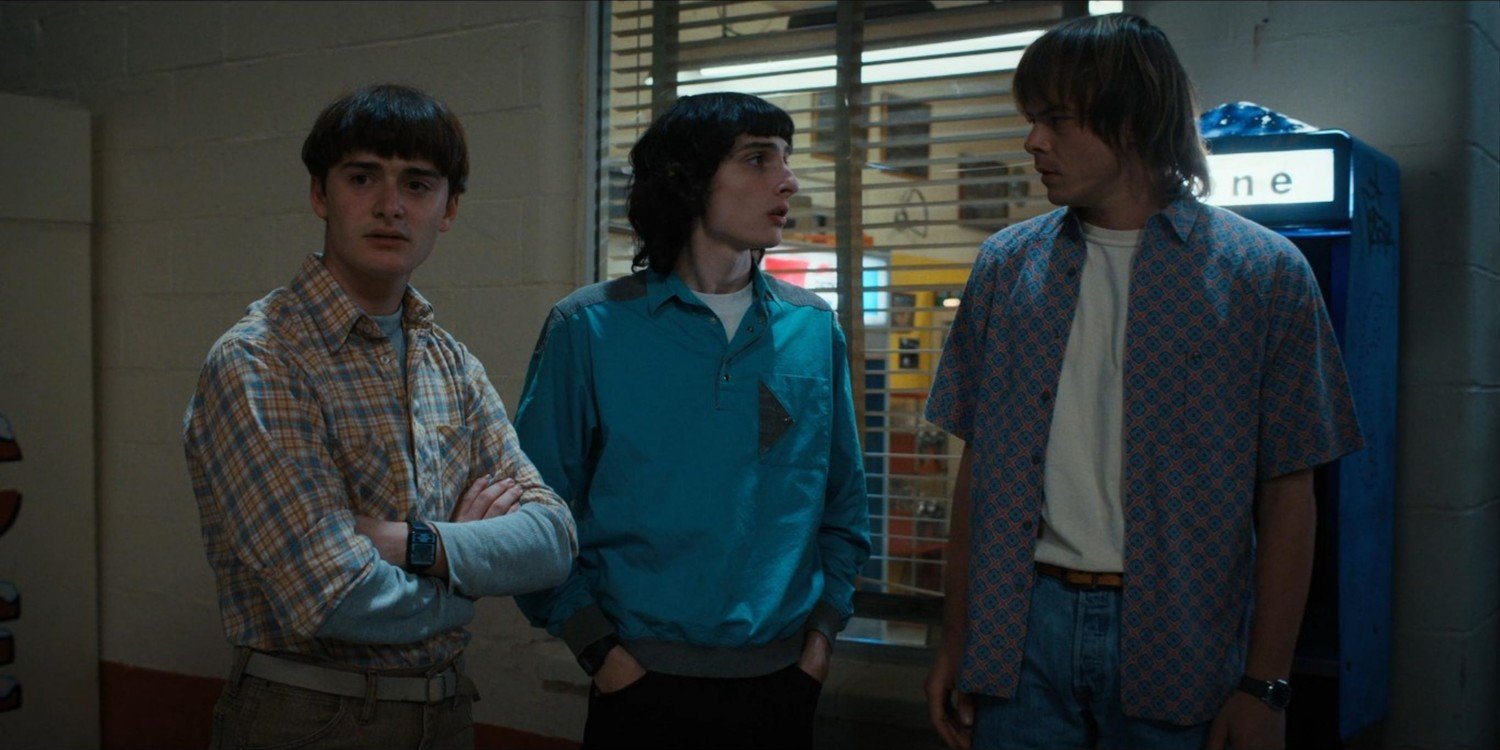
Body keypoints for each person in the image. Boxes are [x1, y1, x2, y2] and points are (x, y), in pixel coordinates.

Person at [922, 14, 1363, 750]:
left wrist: (1266, 685)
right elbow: (981, 468)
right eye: (1032, 120)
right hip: (1019, 631)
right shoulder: (1006, 266)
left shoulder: (1262, 272)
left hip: (1182, 636)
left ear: (1130, 120)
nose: (1033, 142)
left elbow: (1291, 491)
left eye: (1056, 119)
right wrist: (957, 638)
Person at [183, 83, 577, 750]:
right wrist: (469, 582)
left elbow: (554, 539)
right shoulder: (260, 360)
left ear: (449, 209)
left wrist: (418, 543)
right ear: (321, 194)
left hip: (446, 710)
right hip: (313, 717)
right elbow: (331, 595)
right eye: (362, 177)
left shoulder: (450, 362)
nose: (390, 205)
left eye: (417, 185)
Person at [512, 92, 871, 750]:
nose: (788, 181)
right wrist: (600, 652)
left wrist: (820, 639)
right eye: (758, 159)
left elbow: (843, 504)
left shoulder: (813, 328)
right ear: (688, 179)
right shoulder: (589, 328)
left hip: (782, 684)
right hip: (637, 682)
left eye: (786, 159)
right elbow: (533, 512)